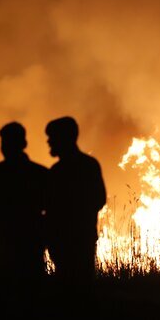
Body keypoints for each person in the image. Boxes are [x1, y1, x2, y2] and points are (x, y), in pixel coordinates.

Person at [0, 122, 48, 281]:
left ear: (22, 144)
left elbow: (53, 208)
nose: (5, 146)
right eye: (4, 142)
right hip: (20, 243)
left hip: (22, 243)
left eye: (8, 142)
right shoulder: (39, 172)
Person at [45, 116, 106, 285]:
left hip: (71, 239)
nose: (49, 142)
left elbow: (98, 199)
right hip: (79, 237)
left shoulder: (58, 172)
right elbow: (99, 199)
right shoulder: (88, 165)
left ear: (64, 138)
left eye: (52, 138)